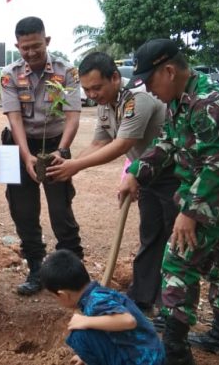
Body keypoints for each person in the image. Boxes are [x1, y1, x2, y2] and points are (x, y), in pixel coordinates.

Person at [118, 39, 219, 364]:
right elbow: (167, 141)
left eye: (150, 82)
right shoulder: (180, 100)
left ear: (168, 71)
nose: (149, 91)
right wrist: (137, 171)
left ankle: (176, 352)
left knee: (178, 258)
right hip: (206, 189)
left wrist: (190, 212)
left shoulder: (210, 102)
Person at [46, 52, 174, 316]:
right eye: (87, 90)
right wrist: (69, 167)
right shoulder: (107, 103)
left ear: (115, 78)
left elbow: (122, 144)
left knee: (174, 241)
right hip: (147, 175)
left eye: (97, 87)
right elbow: (99, 141)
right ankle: (142, 298)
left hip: (174, 176)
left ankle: (171, 309)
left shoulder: (137, 98)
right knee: (150, 237)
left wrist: (75, 166)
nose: (92, 94)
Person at [0, 16, 83, 295]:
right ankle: (36, 268)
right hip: (19, 144)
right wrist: (25, 157)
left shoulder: (67, 71)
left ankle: (72, 270)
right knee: (22, 209)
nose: (31, 52)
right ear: (17, 45)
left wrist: (62, 151)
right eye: (25, 48)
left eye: (36, 46)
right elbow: (15, 120)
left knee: (61, 209)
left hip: (56, 144)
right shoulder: (9, 74)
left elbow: (72, 116)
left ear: (46, 41)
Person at [40, 249, 165, 365]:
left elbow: (128, 321)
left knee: (80, 335)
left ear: (63, 294)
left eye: (54, 297)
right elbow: (107, 330)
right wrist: (85, 356)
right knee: (91, 327)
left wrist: (86, 321)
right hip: (151, 355)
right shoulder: (98, 293)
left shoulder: (95, 302)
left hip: (145, 360)